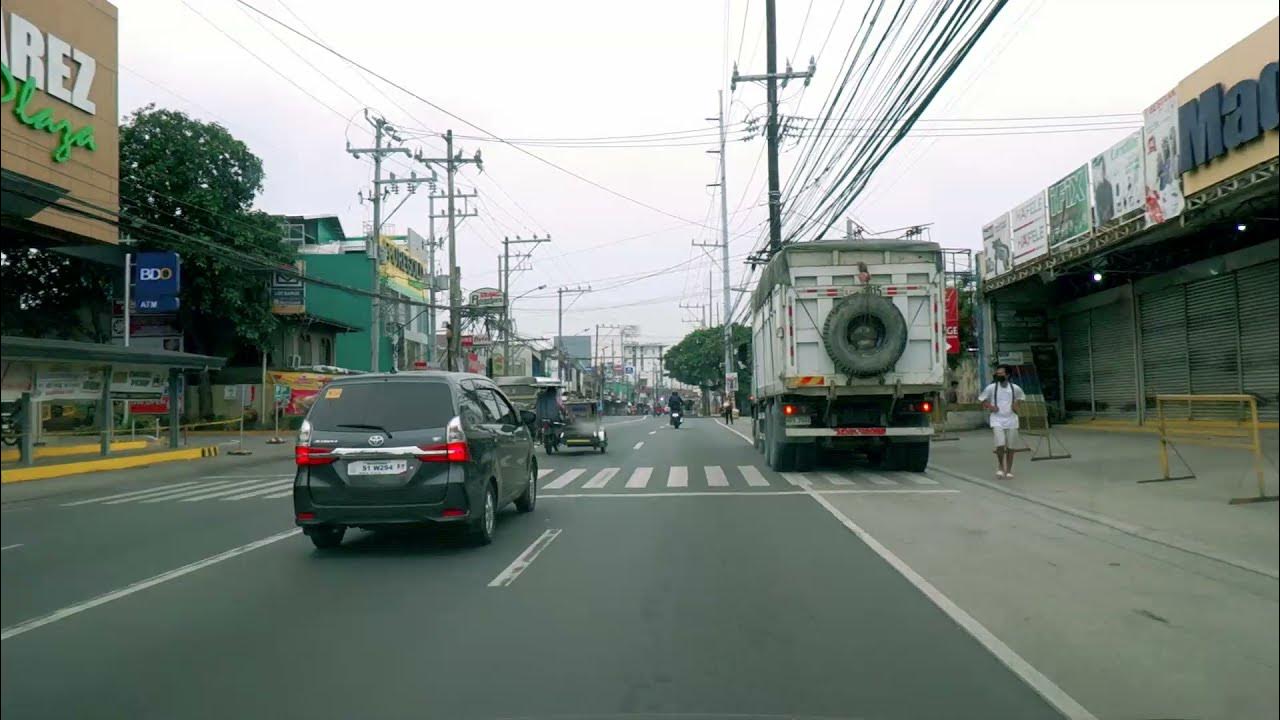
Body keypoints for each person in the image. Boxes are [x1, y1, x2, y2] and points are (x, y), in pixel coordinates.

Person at [978, 365, 1026, 479]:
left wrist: (1016, 405)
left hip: (1011, 419)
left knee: (1011, 446)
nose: (998, 375)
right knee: (1000, 444)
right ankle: (1000, 466)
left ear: (1007, 375)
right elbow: (982, 399)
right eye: (997, 373)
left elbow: (1021, 398)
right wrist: (990, 406)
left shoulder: (1015, 388)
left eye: (1001, 374)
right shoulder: (991, 388)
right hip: (997, 419)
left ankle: (1009, 470)